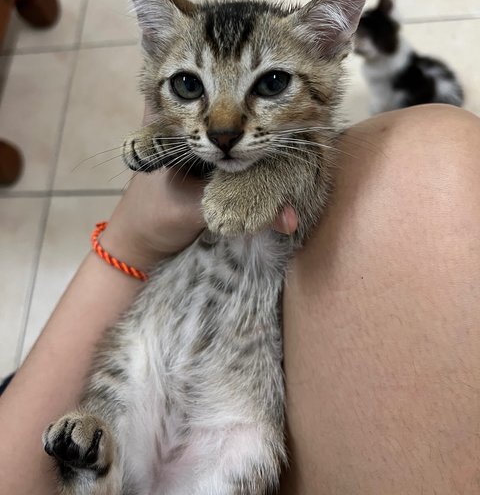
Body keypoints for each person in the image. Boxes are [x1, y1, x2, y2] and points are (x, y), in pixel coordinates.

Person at [1, 103, 479, 494]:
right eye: (192, 86)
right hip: (197, 384)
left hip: (210, 419)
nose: (225, 122)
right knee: (428, 153)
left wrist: (130, 239)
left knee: (229, 442)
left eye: (269, 84)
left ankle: (93, 476)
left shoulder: (291, 148)